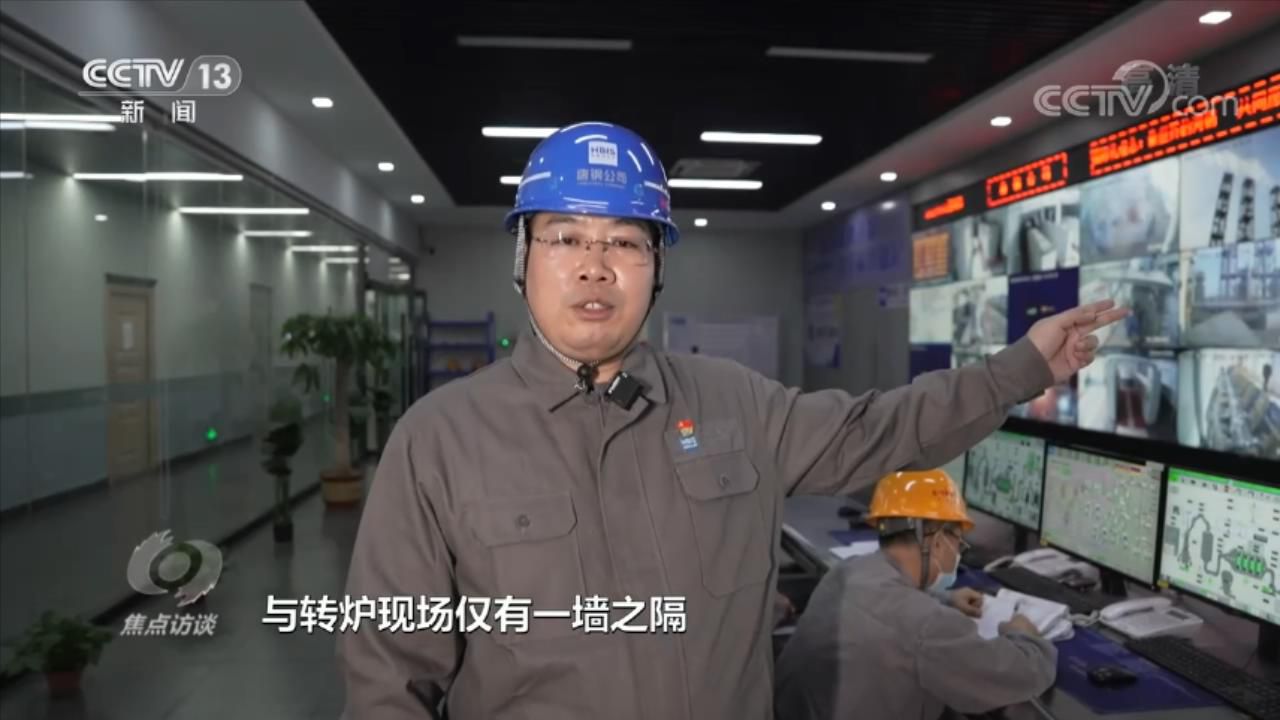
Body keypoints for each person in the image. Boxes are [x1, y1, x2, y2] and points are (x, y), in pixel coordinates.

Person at [336, 121, 1126, 720]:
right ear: (523, 258)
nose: (594, 266)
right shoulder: (439, 439)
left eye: (625, 242)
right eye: (565, 238)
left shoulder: (735, 403)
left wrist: (1022, 368)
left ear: (657, 267)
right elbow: (388, 677)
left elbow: (881, 429)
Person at [773, 469, 1057, 720]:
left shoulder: (846, 571)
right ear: (937, 540)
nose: (958, 553)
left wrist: (945, 599)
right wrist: (1024, 635)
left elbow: (888, 612)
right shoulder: (926, 625)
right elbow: (1021, 676)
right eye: (959, 543)